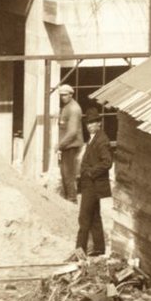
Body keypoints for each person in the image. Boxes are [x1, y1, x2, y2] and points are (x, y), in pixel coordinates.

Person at [74, 102, 114, 259]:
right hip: (89, 185)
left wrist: (91, 173)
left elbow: (107, 162)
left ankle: (79, 250)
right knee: (95, 217)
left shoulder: (102, 140)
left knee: (84, 218)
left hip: (93, 185)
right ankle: (99, 248)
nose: (90, 126)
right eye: (88, 123)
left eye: (93, 123)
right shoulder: (94, 138)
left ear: (99, 123)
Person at [57, 84, 84, 203]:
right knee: (64, 172)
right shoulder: (66, 106)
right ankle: (68, 197)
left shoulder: (73, 109)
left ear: (71, 95)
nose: (62, 97)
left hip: (71, 146)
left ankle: (72, 199)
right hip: (67, 145)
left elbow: (72, 132)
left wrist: (60, 145)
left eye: (65, 95)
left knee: (68, 174)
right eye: (61, 95)